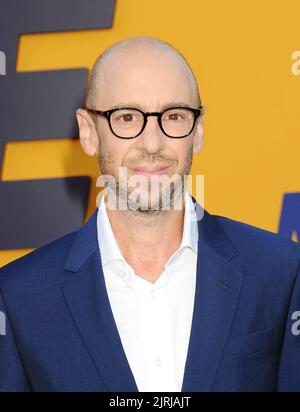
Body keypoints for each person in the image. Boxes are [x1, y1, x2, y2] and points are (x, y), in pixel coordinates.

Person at [0, 36, 300, 392]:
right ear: (88, 132)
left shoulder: (281, 271)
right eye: (126, 118)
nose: (153, 144)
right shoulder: (19, 298)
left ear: (198, 131)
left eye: (174, 116)